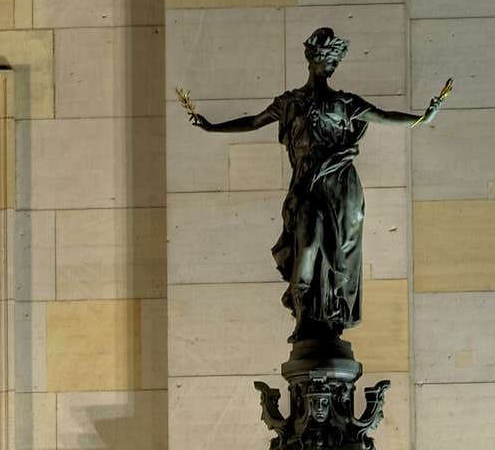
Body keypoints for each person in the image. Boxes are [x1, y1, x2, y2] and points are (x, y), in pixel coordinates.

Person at [187, 27, 449, 342]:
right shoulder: (290, 103)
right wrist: (213, 127)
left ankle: (331, 315)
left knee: (340, 253)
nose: (332, 65)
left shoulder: (345, 102)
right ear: (312, 58)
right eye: (328, 58)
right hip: (306, 185)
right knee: (308, 245)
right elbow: (253, 122)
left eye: (335, 60)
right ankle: (303, 319)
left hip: (341, 186)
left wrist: (422, 119)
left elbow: (384, 116)